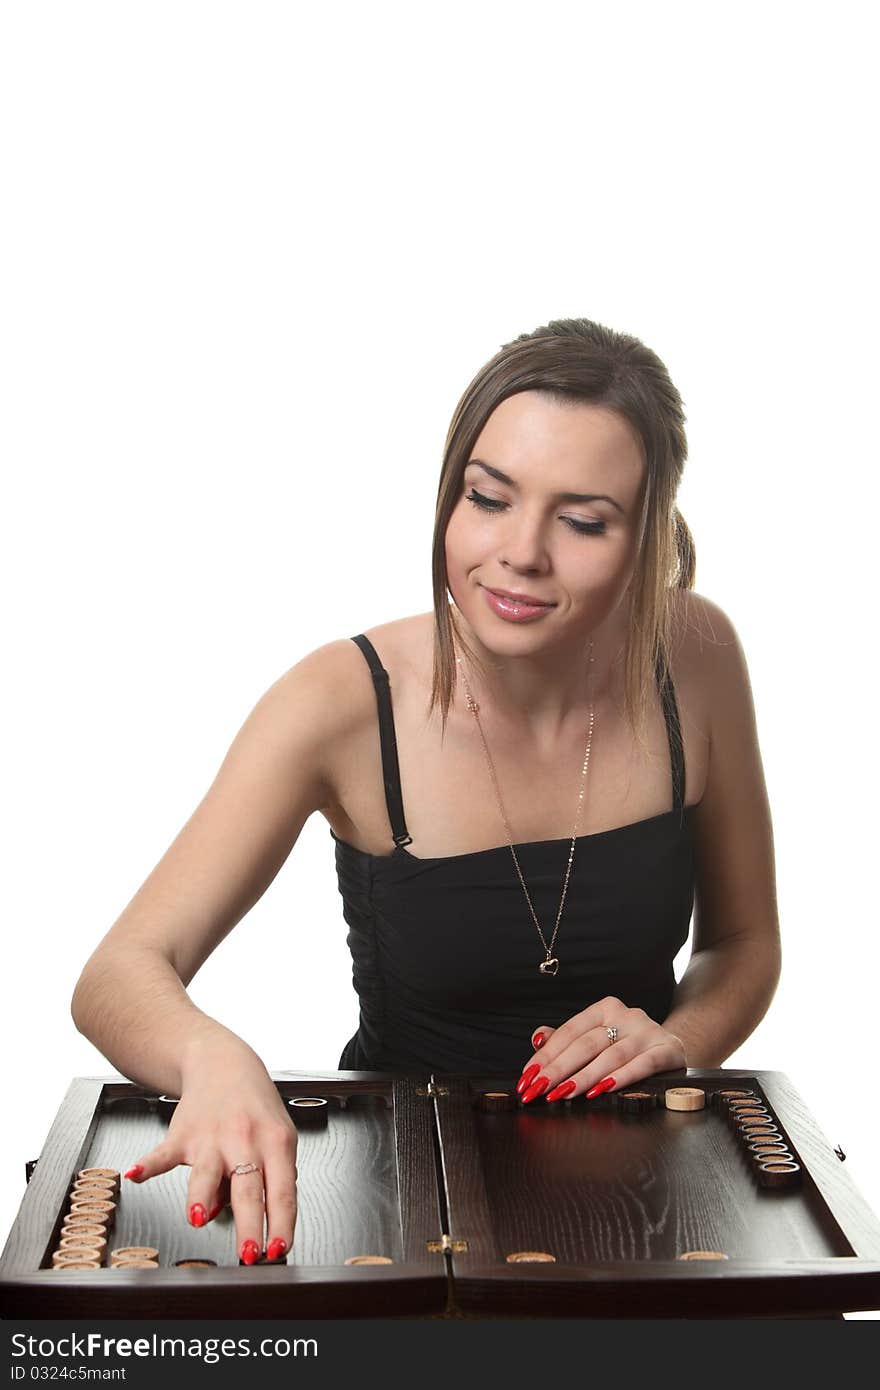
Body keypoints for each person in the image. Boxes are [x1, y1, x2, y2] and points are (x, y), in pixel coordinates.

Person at [70, 316, 781, 1270]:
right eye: (489, 499)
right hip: (406, 1209)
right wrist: (211, 1057)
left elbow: (744, 943)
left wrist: (676, 1037)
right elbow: (117, 974)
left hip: (645, 1200)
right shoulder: (337, 698)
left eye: (582, 521)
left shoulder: (694, 653)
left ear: (648, 535)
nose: (520, 553)